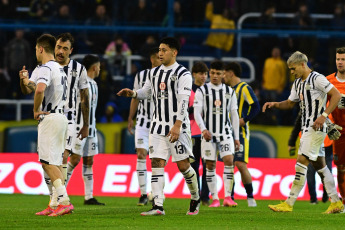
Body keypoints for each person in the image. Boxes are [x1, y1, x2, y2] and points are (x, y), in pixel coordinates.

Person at [117, 37, 200, 216]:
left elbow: (184, 101)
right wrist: (132, 93)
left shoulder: (183, 73)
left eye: (164, 50)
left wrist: (177, 125)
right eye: (159, 50)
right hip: (157, 126)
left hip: (177, 127)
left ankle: (195, 197)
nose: (160, 53)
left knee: (183, 166)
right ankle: (158, 205)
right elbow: (146, 92)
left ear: (174, 52)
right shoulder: (154, 73)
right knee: (156, 163)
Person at [263, 51, 344, 214]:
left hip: (317, 127)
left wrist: (323, 115)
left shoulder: (318, 78)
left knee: (301, 161)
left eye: (293, 69)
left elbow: (335, 95)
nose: (292, 72)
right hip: (306, 128)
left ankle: (289, 202)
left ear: (302, 64)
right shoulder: (297, 83)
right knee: (320, 165)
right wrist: (275, 104)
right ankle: (336, 202)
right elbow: (289, 103)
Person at [21, 34, 72, 216]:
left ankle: (64, 201)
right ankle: (53, 203)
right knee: (54, 163)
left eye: (36, 49)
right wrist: (24, 80)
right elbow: (31, 88)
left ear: (40, 48)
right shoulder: (58, 69)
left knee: (46, 161)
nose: (36, 52)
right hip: (61, 118)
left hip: (49, 117)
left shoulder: (45, 68)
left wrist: (36, 110)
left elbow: (40, 90)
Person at [193, 60, 240, 208]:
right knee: (210, 165)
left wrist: (236, 137)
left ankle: (227, 197)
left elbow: (234, 115)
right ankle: (215, 199)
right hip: (208, 134)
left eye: (218, 73)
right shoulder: (202, 90)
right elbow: (197, 112)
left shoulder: (229, 91)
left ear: (223, 74)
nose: (214, 76)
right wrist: (203, 129)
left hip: (225, 133)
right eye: (212, 73)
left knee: (228, 161)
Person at [65, 54, 105, 205]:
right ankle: (60, 193)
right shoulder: (82, 83)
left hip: (91, 128)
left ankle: (89, 196)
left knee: (89, 160)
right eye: (99, 67)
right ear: (95, 67)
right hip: (80, 127)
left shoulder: (94, 84)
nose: (100, 69)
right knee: (75, 159)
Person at [223, 62, 260, 207]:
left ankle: (250, 197)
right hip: (226, 132)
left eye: (225, 73)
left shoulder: (244, 88)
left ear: (231, 73)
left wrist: (244, 120)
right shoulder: (226, 89)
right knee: (229, 164)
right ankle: (229, 197)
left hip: (241, 132)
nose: (223, 76)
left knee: (240, 164)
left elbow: (256, 106)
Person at [127, 47, 161, 206]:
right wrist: (130, 118)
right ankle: (142, 194)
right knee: (141, 154)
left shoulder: (166, 76)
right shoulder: (140, 76)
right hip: (142, 121)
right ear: (151, 58)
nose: (158, 59)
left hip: (159, 124)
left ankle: (155, 192)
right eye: (156, 57)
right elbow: (135, 97)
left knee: (156, 159)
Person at [288, 110, 333, 204]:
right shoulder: (329, 106)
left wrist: (291, 142)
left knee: (312, 172)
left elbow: (297, 126)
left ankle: (316, 198)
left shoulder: (306, 108)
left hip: (318, 143)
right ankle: (323, 196)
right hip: (323, 143)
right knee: (324, 171)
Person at [189, 61, 210, 206]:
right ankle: (196, 194)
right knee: (195, 165)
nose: (203, 76)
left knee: (208, 165)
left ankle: (205, 197)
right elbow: (184, 111)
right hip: (193, 132)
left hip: (207, 133)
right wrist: (195, 108)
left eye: (205, 74)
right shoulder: (188, 91)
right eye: (200, 73)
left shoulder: (210, 90)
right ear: (194, 74)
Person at [326, 47, 345, 204]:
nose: (340, 62)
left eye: (343, 59)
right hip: (338, 132)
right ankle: (344, 201)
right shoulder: (328, 81)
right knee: (340, 168)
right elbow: (322, 105)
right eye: (338, 59)